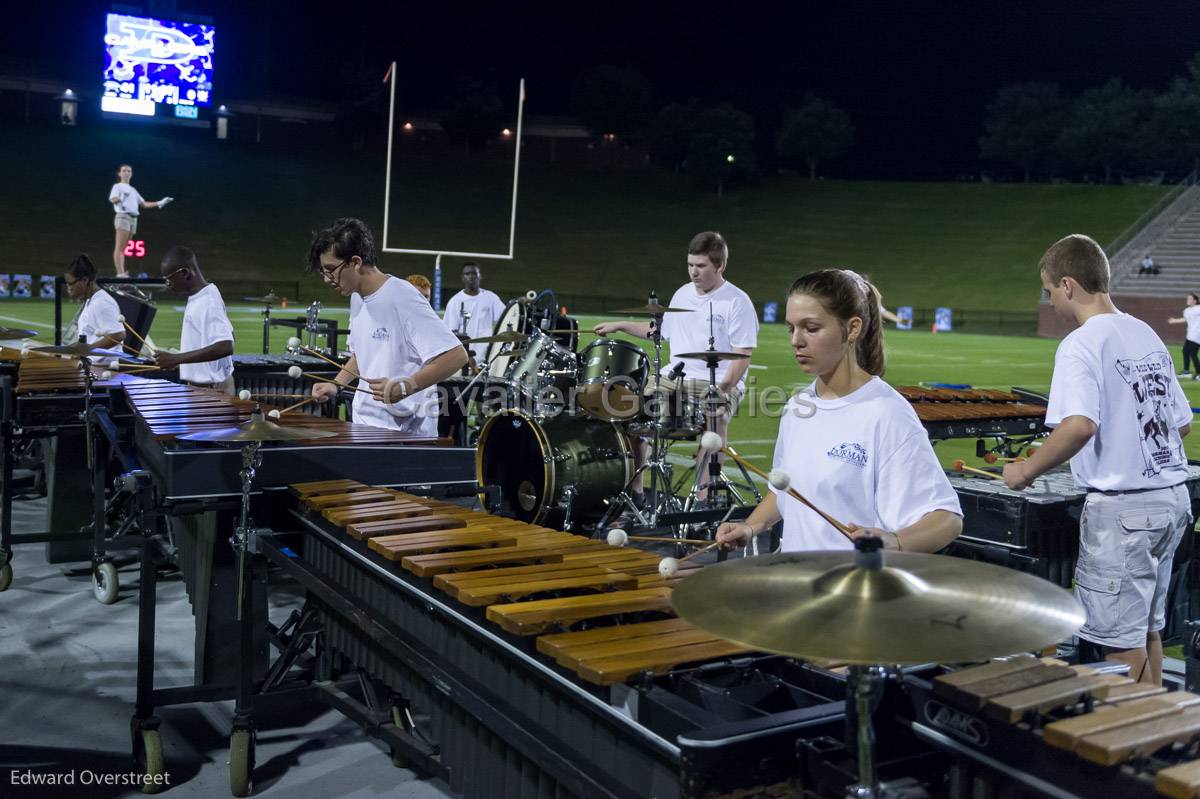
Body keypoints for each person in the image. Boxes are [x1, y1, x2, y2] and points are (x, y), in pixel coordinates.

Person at [1003, 234, 1191, 686]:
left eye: (1050, 292)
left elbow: (1079, 425)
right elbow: (1180, 423)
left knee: (1118, 646)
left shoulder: (1081, 343)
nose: (1052, 302)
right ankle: (1155, 738)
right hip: (1172, 502)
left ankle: (1129, 746)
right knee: (1146, 632)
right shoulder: (1142, 331)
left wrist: (1024, 470)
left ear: (1068, 285)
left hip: (1124, 513)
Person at [716, 269, 962, 553]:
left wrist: (896, 542)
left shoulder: (886, 413)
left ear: (852, 329)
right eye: (791, 328)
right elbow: (787, 489)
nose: (796, 340)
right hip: (798, 583)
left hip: (855, 589)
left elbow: (947, 518)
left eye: (811, 328)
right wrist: (751, 526)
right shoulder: (798, 406)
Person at [595, 231, 757, 504]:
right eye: (690, 265)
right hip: (674, 375)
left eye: (701, 266)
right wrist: (620, 326)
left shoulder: (737, 301)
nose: (694, 272)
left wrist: (725, 387)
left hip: (716, 379)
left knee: (715, 419)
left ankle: (702, 501)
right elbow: (658, 332)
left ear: (720, 266)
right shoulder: (682, 293)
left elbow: (742, 354)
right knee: (628, 411)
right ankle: (636, 493)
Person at [307, 218, 468, 436]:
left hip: (405, 434)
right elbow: (362, 354)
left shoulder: (402, 297)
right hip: (366, 425)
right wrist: (336, 384)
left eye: (330, 270)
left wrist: (406, 386)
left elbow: (456, 356)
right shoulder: (357, 298)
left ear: (355, 262)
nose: (327, 279)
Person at [154, 246, 235, 393]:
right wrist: (186, 353)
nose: (168, 284)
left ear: (185, 273)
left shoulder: (208, 301)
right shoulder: (202, 295)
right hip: (203, 388)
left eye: (168, 279)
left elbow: (226, 345)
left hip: (212, 391)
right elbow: (230, 333)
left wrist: (176, 359)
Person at [109, 164, 173, 278]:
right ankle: (120, 273)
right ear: (119, 173)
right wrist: (121, 197)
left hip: (133, 219)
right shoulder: (117, 186)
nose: (127, 172)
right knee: (119, 246)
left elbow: (143, 204)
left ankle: (122, 272)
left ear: (131, 173)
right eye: (124, 171)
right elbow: (113, 199)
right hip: (123, 216)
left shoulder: (133, 190)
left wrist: (160, 203)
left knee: (123, 248)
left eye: (129, 171)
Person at [442, 263, 505, 365]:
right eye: (467, 274)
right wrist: (466, 355)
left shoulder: (491, 298)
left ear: (480, 276)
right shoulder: (455, 301)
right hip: (464, 359)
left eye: (474, 273)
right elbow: (450, 333)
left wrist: (517, 304)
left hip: (487, 357)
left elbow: (505, 317)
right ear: (462, 277)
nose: (471, 277)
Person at [63, 254, 125, 352]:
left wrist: (89, 348)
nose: (69, 288)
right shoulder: (91, 300)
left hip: (105, 366)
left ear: (85, 280)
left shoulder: (102, 303)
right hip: (92, 363)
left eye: (71, 283)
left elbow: (118, 335)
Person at [1167, 293, 1200, 379]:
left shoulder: (1198, 309)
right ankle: (1186, 372)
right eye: (1187, 298)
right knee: (1185, 351)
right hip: (1190, 335)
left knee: (1193, 354)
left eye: (1190, 299)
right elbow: (1186, 319)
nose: (1188, 300)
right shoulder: (1187, 310)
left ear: (1195, 301)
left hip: (1197, 335)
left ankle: (1199, 373)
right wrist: (1174, 321)